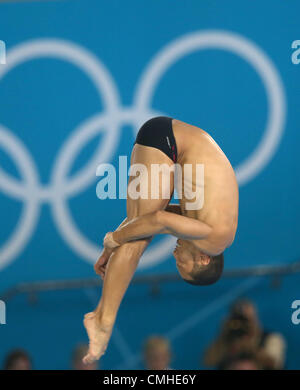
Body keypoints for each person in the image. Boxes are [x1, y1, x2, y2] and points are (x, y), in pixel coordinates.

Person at [83, 116, 239, 364]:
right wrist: (113, 239)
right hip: (168, 141)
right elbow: (157, 220)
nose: (175, 256)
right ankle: (104, 321)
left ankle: (103, 315)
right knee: (140, 239)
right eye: (181, 264)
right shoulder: (213, 239)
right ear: (203, 259)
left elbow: (147, 220)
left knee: (140, 230)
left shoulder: (209, 228)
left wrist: (108, 251)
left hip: (169, 140)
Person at [203, 298, 286, 369]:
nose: (242, 324)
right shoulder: (228, 338)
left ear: (255, 318)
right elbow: (208, 361)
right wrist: (223, 334)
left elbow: (275, 364)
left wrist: (250, 347)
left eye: (246, 320)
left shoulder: (272, 338)